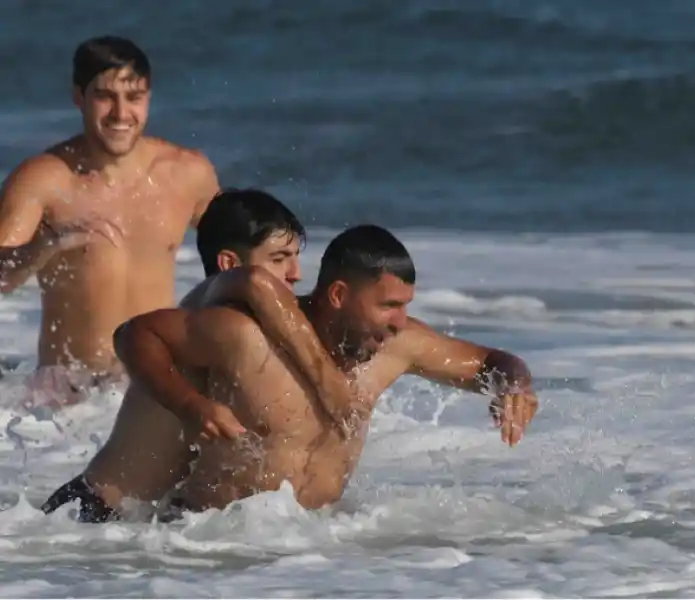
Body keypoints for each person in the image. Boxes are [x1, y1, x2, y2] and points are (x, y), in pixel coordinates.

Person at [110, 224, 539, 518]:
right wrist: (187, 404)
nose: (400, 321)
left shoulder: (397, 346)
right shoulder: (247, 337)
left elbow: (491, 363)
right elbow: (136, 334)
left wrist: (513, 385)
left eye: (405, 305)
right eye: (388, 305)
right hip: (208, 548)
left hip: (317, 557)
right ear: (338, 294)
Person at [39, 188, 308, 523]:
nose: (295, 273)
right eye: (279, 259)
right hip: (93, 515)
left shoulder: (239, 323)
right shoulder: (208, 311)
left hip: (128, 525)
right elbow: (131, 335)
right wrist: (190, 406)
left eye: (295, 257)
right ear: (230, 264)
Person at [0, 35, 220, 408]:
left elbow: (238, 256)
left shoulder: (187, 174)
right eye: (105, 96)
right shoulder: (45, 179)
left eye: (134, 97)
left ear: (148, 97)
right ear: (78, 97)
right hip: (68, 399)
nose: (121, 114)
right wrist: (49, 242)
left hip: (159, 384)